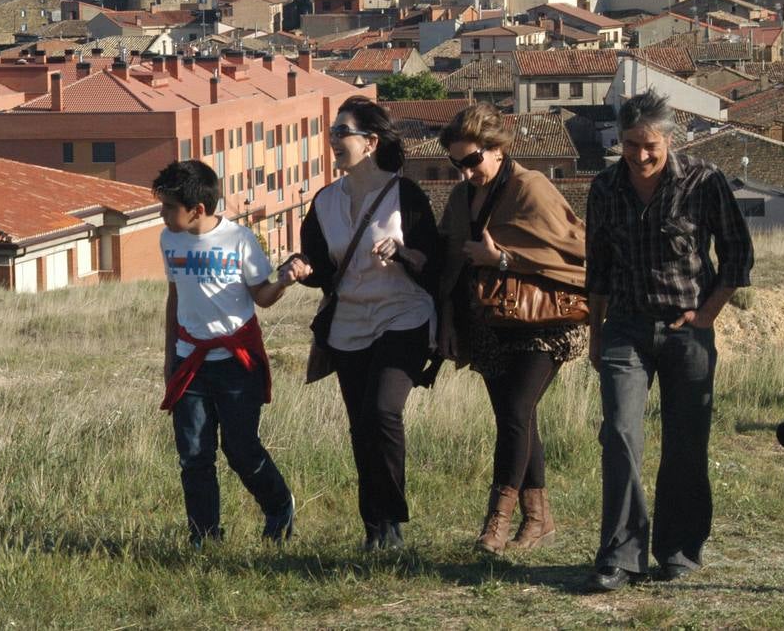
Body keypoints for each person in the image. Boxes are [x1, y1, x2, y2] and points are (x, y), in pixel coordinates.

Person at [585, 91, 754, 590]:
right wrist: (596, 335)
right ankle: (620, 554)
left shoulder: (704, 181)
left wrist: (706, 315)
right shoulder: (604, 187)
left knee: (686, 442)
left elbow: (738, 255)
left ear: (669, 139)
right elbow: (597, 269)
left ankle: (679, 548)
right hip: (625, 329)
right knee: (619, 434)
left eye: (649, 145)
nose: (639, 155)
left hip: (687, 334)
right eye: (630, 144)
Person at [286, 96, 440, 551]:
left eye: (342, 133)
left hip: (403, 316)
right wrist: (301, 267)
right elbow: (320, 265)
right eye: (332, 133)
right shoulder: (325, 201)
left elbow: (433, 260)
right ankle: (374, 527)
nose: (334, 140)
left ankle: (392, 517)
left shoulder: (403, 195)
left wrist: (402, 253)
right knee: (360, 426)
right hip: (350, 323)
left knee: (382, 411)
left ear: (370, 142)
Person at [436, 102, 588, 555]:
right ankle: (539, 519)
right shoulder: (462, 198)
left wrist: (501, 258)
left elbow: (573, 254)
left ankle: (496, 524)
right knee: (516, 417)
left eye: (471, 161)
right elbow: (451, 264)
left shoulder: (531, 188)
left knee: (517, 412)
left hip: (543, 324)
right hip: (488, 325)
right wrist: (446, 321)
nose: (464, 172)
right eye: (456, 163)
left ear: (497, 149)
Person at [155, 159, 303, 548]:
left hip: (237, 363)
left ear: (197, 209)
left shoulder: (239, 239)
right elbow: (175, 297)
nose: (163, 213)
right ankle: (204, 537)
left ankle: (278, 505)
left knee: (240, 450)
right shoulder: (169, 239)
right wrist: (170, 357)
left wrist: (284, 282)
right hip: (191, 363)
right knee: (194, 455)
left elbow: (262, 297)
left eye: (169, 206)